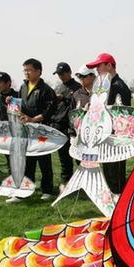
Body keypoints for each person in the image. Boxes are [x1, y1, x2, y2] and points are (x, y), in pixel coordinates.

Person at [7, 58, 56, 203]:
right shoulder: (23, 87)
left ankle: (47, 190)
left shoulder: (46, 90)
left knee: (44, 161)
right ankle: (25, 190)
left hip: (41, 131)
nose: (26, 73)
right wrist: (11, 100)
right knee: (27, 161)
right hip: (26, 131)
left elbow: (49, 111)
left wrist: (33, 120)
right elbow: (20, 104)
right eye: (25, 70)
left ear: (38, 71)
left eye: (29, 70)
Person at [86, 53, 131, 194]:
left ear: (109, 65)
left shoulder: (118, 86)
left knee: (115, 175)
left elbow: (123, 115)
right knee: (108, 173)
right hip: (104, 135)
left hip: (115, 138)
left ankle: (118, 203)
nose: (97, 70)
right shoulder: (105, 86)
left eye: (99, 66)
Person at [52, 62, 81, 192]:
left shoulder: (78, 88)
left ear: (69, 72)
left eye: (63, 74)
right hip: (59, 126)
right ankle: (66, 181)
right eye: (59, 74)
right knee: (64, 157)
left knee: (79, 155)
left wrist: (65, 98)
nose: (61, 77)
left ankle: (84, 180)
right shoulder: (57, 87)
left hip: (74, 127)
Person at [0, 71, 19, 170]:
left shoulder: (18, 95)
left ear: (8, 83)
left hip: (18, 133)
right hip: (4, 134)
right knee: (10, 159)